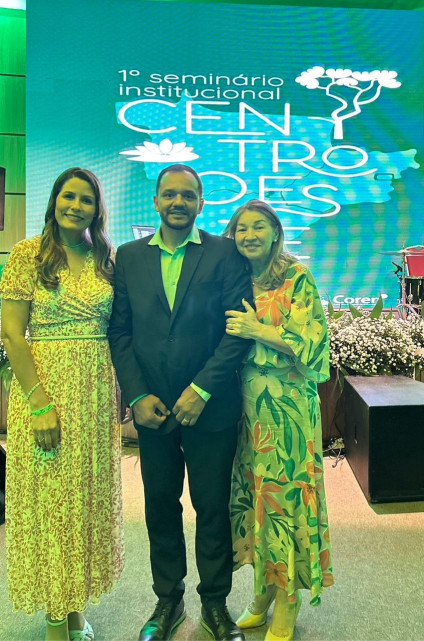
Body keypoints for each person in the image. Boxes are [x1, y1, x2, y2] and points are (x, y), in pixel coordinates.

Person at [108, 164, 253, 641]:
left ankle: (215, 603)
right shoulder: (129, 257)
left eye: (188, 195)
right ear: (155, 201)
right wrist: (136, 395)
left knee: (211, 507)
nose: (178, 202)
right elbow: (120, 331)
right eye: (169, 194)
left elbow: (238, 330)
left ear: (200, 203)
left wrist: (201, 390)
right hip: (152, 410)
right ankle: (168, 600)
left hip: (212, 407)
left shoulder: (224, 253)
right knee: (160, 507)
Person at [0, 168, 124, 641]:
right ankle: (56, 620)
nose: (76, 206)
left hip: (94, 394)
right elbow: (13, 334)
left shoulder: (105, 258)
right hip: (45, 390)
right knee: (51, 503)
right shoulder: (28, 254)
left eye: (86, 199)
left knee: (82, 503)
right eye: (68, 196)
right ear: (54, 201)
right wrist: (38, 404)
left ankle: (73, 608)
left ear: (97, 209)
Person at [224, 200, 334, 641]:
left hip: (288, 408)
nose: (249, 235)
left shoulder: (296, 276)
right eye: (241, 228)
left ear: (275, 232)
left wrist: (258, 330)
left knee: (286, 501)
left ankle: (288, 600)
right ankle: (264, 590)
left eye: (258, 227)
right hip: (247, 407)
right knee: (258, 499)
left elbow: (312, 345)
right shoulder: (234, 277)